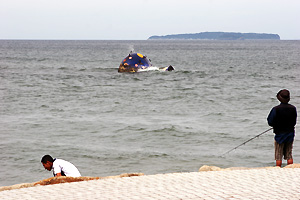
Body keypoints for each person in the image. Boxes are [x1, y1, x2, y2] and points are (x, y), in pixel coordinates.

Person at [267, 89, 297, 167]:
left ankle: (278, 169)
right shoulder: (293, 108)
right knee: (289, 154)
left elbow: (270, 121)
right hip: (290, 133)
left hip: (279, 135)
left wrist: (275, 125)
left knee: (278, 155)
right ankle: (290, 169)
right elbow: (294, 122)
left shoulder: (276, 109)